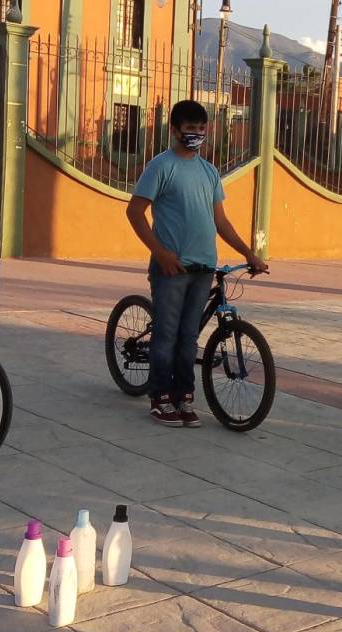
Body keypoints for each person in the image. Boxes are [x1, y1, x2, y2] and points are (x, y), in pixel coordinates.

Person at [126, 100, 267, 428]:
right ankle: (160, 398)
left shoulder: (209, 172)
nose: (197, 134)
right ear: (174, 130)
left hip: (204, 268)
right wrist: (160, 253)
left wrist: (249, 253)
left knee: (189, 337)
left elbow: (221, 221)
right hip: (172, 268)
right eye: (190, 129)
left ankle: (184, 397)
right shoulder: (161, 166)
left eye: (201, 129)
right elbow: (134, 212)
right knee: (167, 336)